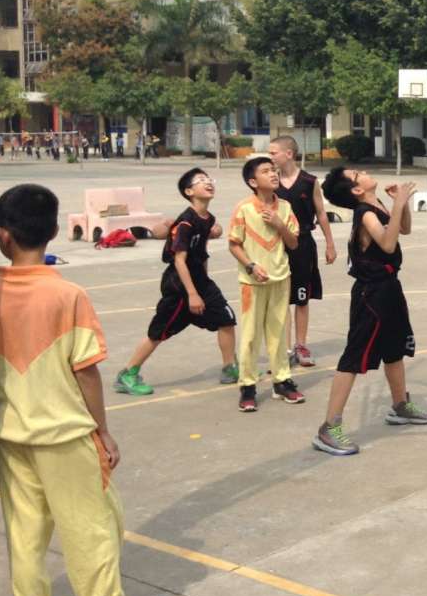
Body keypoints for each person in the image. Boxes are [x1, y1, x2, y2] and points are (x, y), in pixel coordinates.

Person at [0, 184, 156, 596]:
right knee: (92, 529)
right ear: (55, 231)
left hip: (12, 439)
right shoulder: (68, 294)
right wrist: (102, 430)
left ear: (2, 236)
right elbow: (86, 370)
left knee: (25, 537)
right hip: (67, 437)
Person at [312, 167, 427, 456]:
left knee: (394, 350)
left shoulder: (376, 204)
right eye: (358, 174)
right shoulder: (365, 213)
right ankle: (329, 427)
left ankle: (400, 405)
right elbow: (388, 242)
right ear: (356, 190)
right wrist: (398, 203)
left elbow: (403, 229)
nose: (365, 172)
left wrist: (399, 205)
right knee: (354, 357)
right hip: (371, 294)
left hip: (389, 288)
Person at [114, 169, 239, 396]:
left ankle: (230, 368)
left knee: (226, 320)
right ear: (189, 192)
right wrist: (192, 293)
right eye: (201, 181)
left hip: (201, 281)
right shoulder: (186, 223)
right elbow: (179, 260)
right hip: (180, 286)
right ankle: (127, 374)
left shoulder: (207, 218)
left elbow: (201, 254)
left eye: (209, 179)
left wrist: (204, 285)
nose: (208, 183)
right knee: (159, 332)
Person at [228, 157, 304, 413]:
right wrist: (250, 265)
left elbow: (293, 243)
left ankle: (281, 380)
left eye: (274, 170)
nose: (273, 174)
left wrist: (279, 224)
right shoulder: (243, 209)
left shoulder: (284, 206)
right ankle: (247, 385)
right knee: (250, 335)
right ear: (253, 181)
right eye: (265, 171)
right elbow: (234, 244)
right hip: (253, 281)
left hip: (281, 276)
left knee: (279, 332)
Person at [269, 136, 337, 367]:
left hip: (304, 244)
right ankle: (285, 348)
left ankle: (301, 344)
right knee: (281, 298)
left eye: (274, 152)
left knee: (301, 297)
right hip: (278, 245)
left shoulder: (309, 181)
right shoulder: (271, 182)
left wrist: (330, 243)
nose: (270, 157)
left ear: (288, 153)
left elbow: (321, 213)